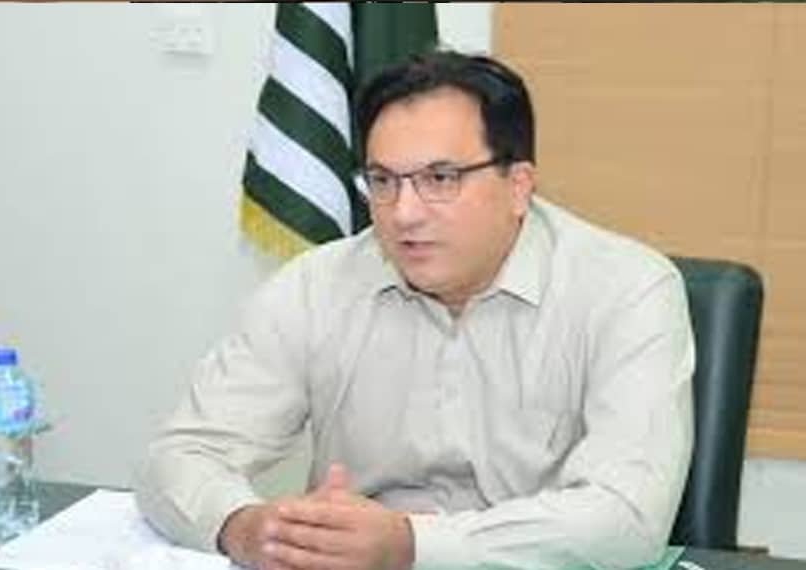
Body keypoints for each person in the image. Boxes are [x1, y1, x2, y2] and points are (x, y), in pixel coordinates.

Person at [135, 50, 695, 570]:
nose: (403, 213)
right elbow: (182, 454)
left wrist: (411, 543)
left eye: (439, 179)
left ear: (518, 185)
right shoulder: (316, 286)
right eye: (382, 181)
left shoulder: (627, 290)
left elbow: (628, 516)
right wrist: (245, 526)